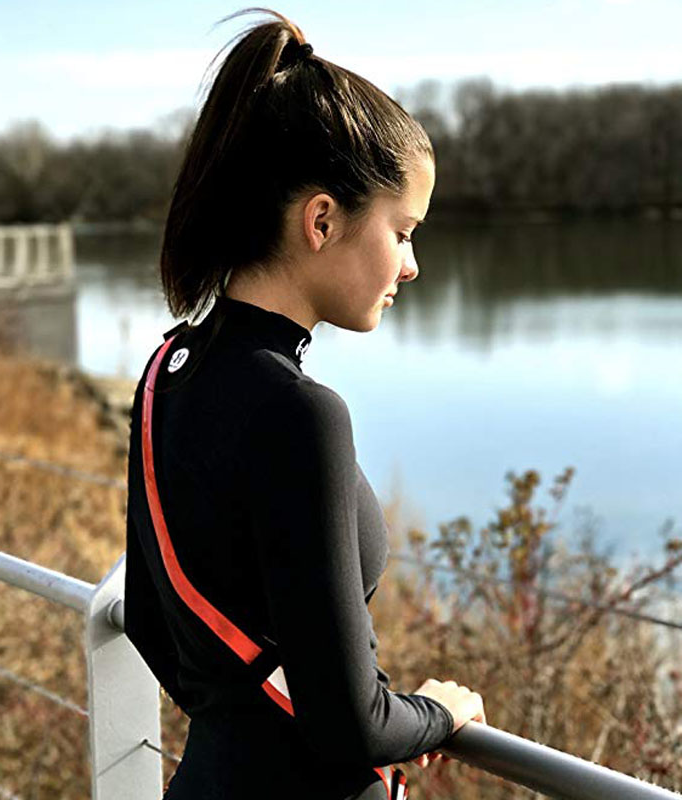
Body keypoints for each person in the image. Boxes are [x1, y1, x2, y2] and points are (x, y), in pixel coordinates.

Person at [124, 9, 486, 799]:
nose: (412, 265)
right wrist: (441, 711)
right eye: (404, 231)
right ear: (322, 220)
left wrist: (242, 731)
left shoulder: (166, 373)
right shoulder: (300, 414)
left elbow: (148, 623)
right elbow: (352, 725)